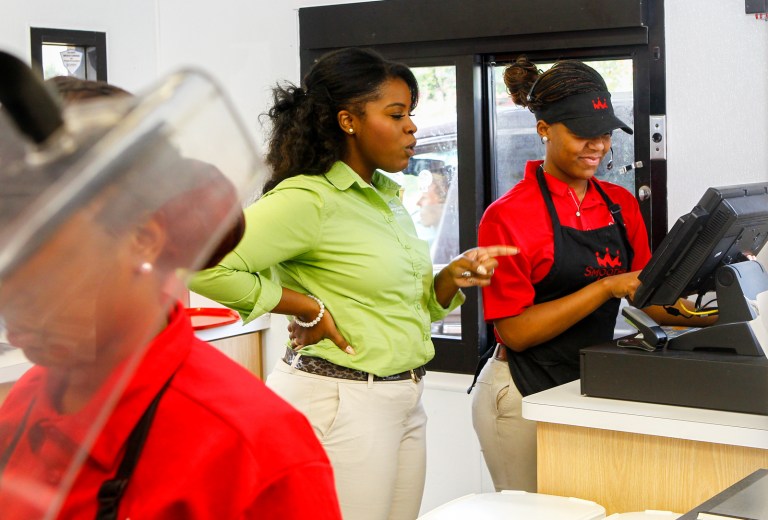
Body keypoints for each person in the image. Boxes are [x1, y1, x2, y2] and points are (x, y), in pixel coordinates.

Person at [0, 59, 341, 520]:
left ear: (143, 236)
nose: (12, 298)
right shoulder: (27, 401)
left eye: (39, 259)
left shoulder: (255, 453)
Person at [189, 46, 517, 520]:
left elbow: (403, 308)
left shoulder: (384, 199)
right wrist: (304, 307)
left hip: (402, 398)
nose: (412, 128)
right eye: (397, 114)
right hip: (340, 401)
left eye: (412, 115)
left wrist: (448, 278)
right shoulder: (309, 199)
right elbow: (201, 263)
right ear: (349, 121)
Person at [470, 56, 714, 493]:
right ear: (544, 129)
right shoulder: (507, 216)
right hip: (521, 391)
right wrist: (604, 287)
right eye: (583, 134)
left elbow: (648, 299)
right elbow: (516, 331)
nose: (597, 146)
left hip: (587, 385)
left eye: (604, 134)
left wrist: (723, 315)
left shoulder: (619, 203)